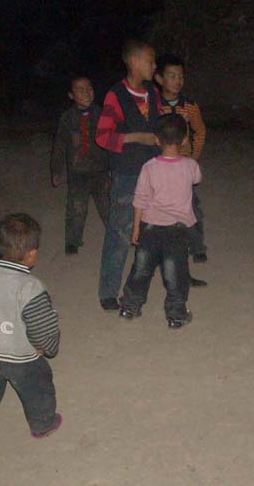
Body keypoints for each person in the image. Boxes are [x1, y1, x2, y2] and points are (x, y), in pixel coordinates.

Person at [0, 213, 62, 465]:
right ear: (32, 254)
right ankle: (43, 424)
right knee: (39, 388)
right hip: (20, 359)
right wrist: (47, 348)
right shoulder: (30, 287)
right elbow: (42, 328)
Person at [95, 39, 162, 311]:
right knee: (120, 233)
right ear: (133, 62)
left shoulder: (153, 93)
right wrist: (137, 137)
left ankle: (138, 287)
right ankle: (108, 291)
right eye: (150, 61)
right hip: (127, 174)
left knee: (151, 231)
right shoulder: (116, 95)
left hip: (153, 171)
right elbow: (102, 137)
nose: (154, 66)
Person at [118, 113, 200, 329]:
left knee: (141, 269)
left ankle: (130, 306)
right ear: (185, 140)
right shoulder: (190, 166)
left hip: (150, 228)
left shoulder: (149, 167)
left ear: (156, 139)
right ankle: (176, 315)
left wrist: (136, 228)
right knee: (175, 273)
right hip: (177, 230)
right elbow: (197, 179)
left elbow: (140, 199)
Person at [155, 53, 209, 286]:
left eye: (180, 76)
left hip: (183, 167)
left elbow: (200, 131)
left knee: (191, 209)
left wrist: (193, 159)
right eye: (172, 76)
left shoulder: (190, 106)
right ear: (159, 78)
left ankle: (196, 246)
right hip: (161, 167)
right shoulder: (154, 105)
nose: (177, 81)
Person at [51, 75, 110, 255]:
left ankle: (116, 235)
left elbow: (112, 141)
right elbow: (60, 145)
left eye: (89, 88)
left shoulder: (102, 114)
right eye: (80, 90)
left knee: (108, 206)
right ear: (71, 95)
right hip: (77, 171)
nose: (86, 93)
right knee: (76, 208)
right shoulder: (67, 118)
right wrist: (56, 170)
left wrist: (115, 167)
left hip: (101, 170)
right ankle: (73, 241)